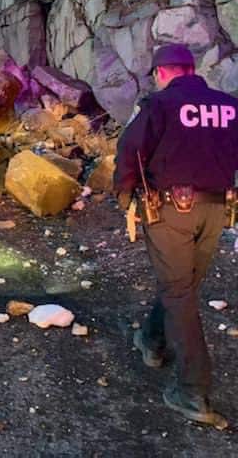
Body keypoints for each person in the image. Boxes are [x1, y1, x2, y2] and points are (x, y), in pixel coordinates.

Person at [114, 43, 238, 429]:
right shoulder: (229, 105)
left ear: (161, 73)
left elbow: (130, 148)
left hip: (171, 210)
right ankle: (152, 340)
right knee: (182, 287)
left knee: (179, 291)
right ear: (190, 69)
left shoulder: (160, 105)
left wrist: (124, 192)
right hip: (218, 209)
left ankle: (192, 390)